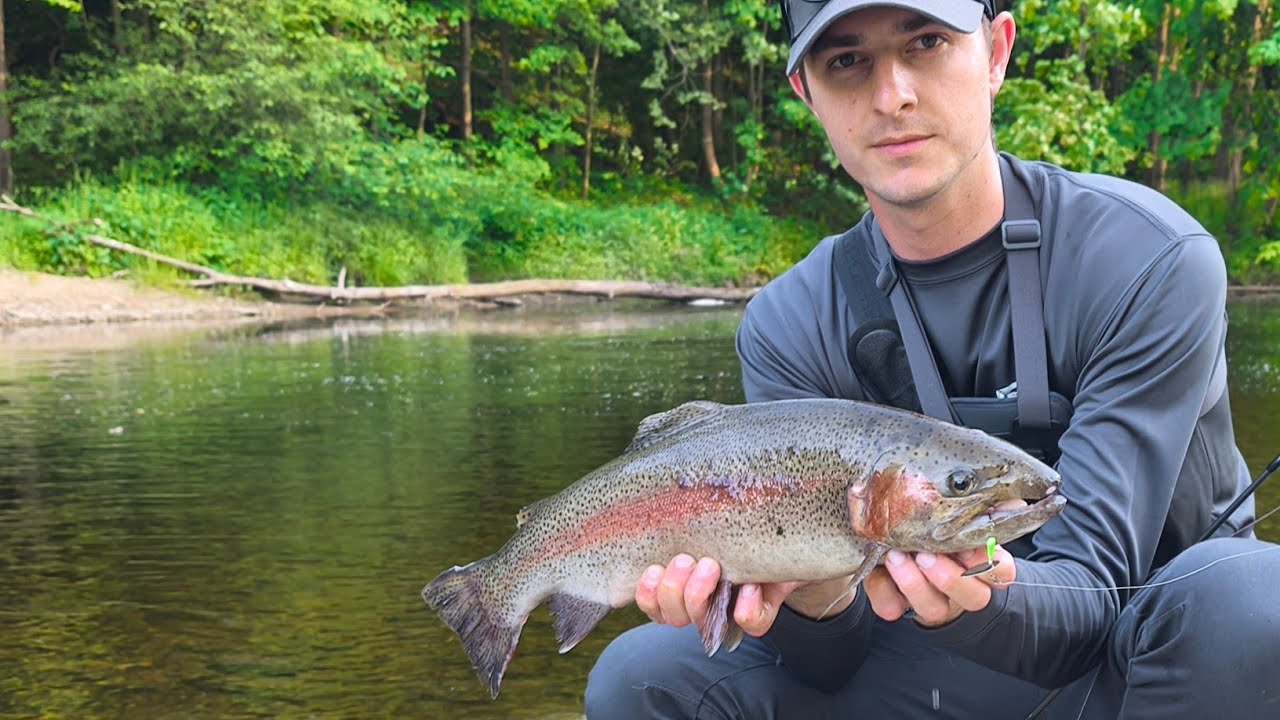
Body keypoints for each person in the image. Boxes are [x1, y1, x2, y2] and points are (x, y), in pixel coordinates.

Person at [583, 1, 1280, 718]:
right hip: (934, 662)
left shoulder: (1147, 260)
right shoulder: (788, 323)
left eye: (926, 42)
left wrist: (977, 593)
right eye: (846, 61)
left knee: (1255, 603)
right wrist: (812, 595)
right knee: (643, 674)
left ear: (996, 53)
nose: (893, 96)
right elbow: (829, 663)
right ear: (806, 94)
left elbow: (1093, 598)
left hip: (1153, 662)